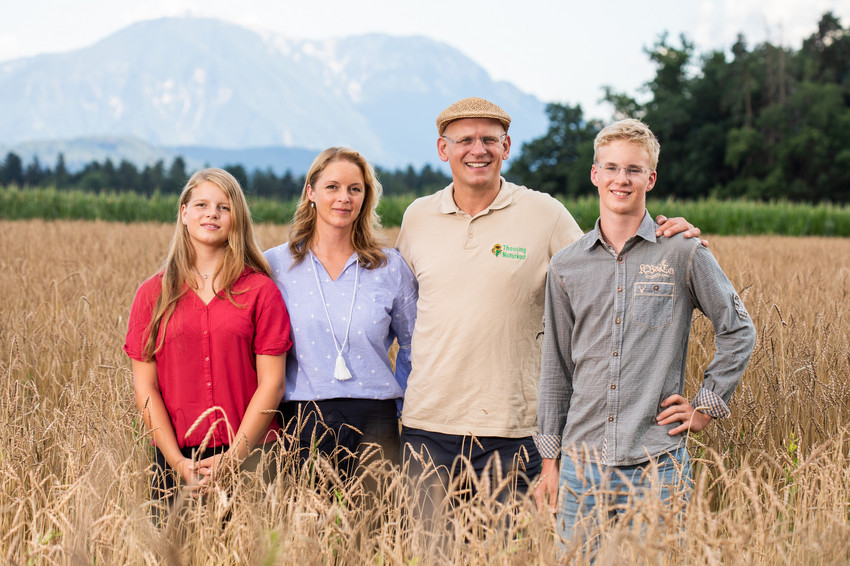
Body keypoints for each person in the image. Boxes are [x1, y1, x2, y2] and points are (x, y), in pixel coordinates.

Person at [396, 97, 702, 501]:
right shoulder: (417, 217)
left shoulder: (545, 214)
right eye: (464, 140)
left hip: (517, 431)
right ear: (442, 149)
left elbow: (610, 268)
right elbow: (395, 308)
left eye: (490, 139)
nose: (478, 150)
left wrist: (665, 242)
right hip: (427, 425)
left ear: (506, 147)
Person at [533, 119, 756, 545]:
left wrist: (705, 407)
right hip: (581, 467)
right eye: (611, 168)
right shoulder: (565, 266)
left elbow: (739, 329)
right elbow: (556, 367)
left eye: (634, 170)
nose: (622, 179)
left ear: (650, 178)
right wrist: (549, 462)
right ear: (595, 174)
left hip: (658, 465)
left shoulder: (683, 252)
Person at [124, 168, 291, 504]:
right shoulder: (151, 295)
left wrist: (232, 459)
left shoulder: (261, 291)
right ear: (184, 213)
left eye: (223, 207)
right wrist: (177, 462)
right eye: (201, 204)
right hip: (175, 460)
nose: (212, 213)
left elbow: (272, 384)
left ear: (236, 219)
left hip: (253, 455)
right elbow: (146, 387)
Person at [264, 147, 417, 480]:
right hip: (302, 421)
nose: (343, 198)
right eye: (332, 187)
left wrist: (409, 413)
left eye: (355, 189)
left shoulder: (390, 267)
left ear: (365, 197)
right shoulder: (275, 266)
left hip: (376, 423)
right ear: (311, 192)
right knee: (302, 530)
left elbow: (413, 346)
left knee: (376, 529)